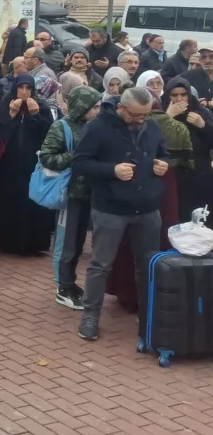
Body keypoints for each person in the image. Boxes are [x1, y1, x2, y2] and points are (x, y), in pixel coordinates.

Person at [72, 87, 168, 341]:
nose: (142, 120)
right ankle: (90, 315)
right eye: (137, 115)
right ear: (121, 109)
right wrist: (112, 170)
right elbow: (80, 163)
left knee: (147, 265)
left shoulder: (152, 126)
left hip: (147, 208)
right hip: (110, 208)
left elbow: (162, 152)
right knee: (100, 265)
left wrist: (163, 164)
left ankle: (148, 314)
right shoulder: (98, 127)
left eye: (146, 115)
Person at [40, 86, 102, 311]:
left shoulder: (96, 126)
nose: (97, 110)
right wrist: (76, 155)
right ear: (81, 107)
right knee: (67, 243)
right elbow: (47, 157)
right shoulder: (61, 127)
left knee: (80, 243)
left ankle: (71, 283)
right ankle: (63, 286)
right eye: (93, 106)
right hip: (71, 195)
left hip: (92, 193)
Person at [0, 74, 57, 255]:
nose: (24, 92)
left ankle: (34, 244)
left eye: (28, 88)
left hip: (32, 164)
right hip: (9, 166)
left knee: (32, 202)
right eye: (21, 88)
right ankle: (9, 242)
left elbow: (49, 133)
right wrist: (11, 115)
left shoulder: (41, 107)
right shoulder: (6, 104)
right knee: (10, 201)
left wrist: (35, 115)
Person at [163, 76, 213, 220]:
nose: (179, 99)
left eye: (183, 95)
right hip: (173, 175)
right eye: (174, 95)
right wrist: (168, 118)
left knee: (202, 218)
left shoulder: (201, 112)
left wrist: (203, 126)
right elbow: (153, 140)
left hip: (200, 174)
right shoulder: (161, 112)